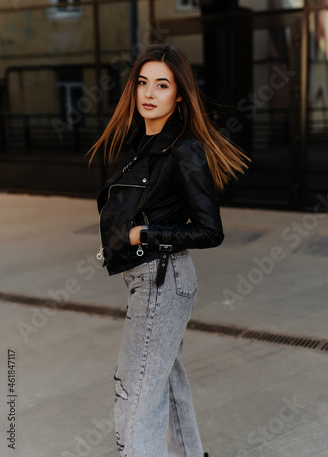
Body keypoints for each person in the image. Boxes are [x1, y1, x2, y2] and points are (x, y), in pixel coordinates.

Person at [89, 44, 248, 457]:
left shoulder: (184, 150)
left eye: (162, 85)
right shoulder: (142, 142)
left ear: (179, 95)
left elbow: (210, 230)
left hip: (162, 278)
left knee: (136, 398)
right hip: (151, 280)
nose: (149, 93)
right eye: (143, 82)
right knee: (164, 384)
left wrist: (146, 234)